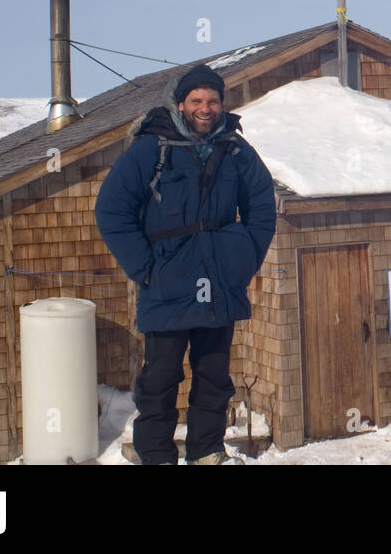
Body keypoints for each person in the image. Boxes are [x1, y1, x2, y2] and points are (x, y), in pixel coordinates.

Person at [95, 63, 276, 465]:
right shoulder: (151, 149)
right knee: (160, 379)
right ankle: (157, 455)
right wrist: (145, 268)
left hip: (219, 282)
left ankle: (206, 450)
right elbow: (111, 210)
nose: (205, 107)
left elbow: (262, 206)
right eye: (196, 100)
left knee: (213, 377)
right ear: (181, 104)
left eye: (212, 100)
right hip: (166, 282)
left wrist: (242, 259)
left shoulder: (234, 149)